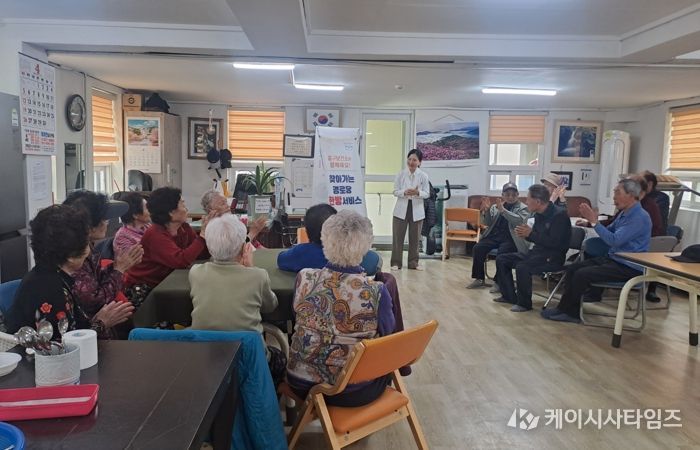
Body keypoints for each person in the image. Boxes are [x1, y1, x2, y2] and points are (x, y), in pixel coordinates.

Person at [286, 210, 395, 406]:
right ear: (366, 246)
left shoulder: (304, 277)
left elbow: (297, 315)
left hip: (300, 383)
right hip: (353, 390)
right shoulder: (376, 291)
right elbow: (387, 332)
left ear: (325, 241)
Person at [5, 205, 134, 339]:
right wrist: (101, 323)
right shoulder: (51, 291)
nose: (89, 251)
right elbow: (64, 345)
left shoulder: (49, 274)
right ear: (71, 257)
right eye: (87, 243)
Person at [189, 214, 285, 386]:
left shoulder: (195, 272)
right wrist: (251, 268)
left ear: (209, 248)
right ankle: (267, 396)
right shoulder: (258, 275)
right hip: (249, 357)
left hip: (207, 355)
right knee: (279, 358)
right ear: (244, 248)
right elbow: (271, 306)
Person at [542, 179, 651, 323]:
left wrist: (594, 221)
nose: (614, 197)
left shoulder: (639, 217)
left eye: (617, 193)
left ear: (631, 195)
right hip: (615, 260)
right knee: (573, 268)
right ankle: (563, 308)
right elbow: (609, 230)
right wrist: (591, 222)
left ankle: (572, 314)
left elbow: (614, 240)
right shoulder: (625, 213)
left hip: (629, 266)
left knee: (582, 274)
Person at [63, 191, 143, 331]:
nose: (106, 222)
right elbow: (94, 301)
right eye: (104, 218)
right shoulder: (74, 258)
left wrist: (119, 266)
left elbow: (98, 280)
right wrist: (119, 270)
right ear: (88, 225)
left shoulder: (89, 248)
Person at [494, 184, 571, 312]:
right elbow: (536, 238)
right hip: (537, 253)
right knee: (502, 259)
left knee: (523, 267)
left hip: (553, 257)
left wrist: (530, 234)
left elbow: (556, 243)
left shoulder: (559, 215)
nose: (526, 201)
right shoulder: (538, 214)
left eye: (528, 199)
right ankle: (509, 296)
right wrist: (525, 235)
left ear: (538, 201)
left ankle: (524, 304)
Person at [125, 187, 210, 289]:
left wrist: (209, 234)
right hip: (143, 288)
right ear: (171, 212)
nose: (186, 209)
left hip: (166, 282)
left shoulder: (183, 228)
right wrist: (202, 236)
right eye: (183, 205)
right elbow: (180, 261)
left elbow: (202, 255)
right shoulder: (155, 235)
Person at [277, 203, 382, 275]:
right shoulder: (357, 253)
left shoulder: (300, 253)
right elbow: (376, 263)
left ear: (307, 231)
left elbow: (281, 259)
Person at [467, 182, 529, 289]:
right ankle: (479, 278)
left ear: (518, 195)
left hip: (511, 238)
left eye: (513, 194)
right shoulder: (495, 207)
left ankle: (499, 281)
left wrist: (503, 211)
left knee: (502, 253)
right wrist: (486, 211)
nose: (510, 197)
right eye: (507, 194)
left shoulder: (523, 208)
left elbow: (519, 221)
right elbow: (487, 223)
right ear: (502, 195)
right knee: (478, 248)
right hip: (495, 236)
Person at [391, 149, 430, 270]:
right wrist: (404, 192)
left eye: (414, 160)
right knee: (398, 237)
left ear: (419, 162)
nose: (411, 162)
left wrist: (417, 193)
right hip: (401, 209)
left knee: (415, 238)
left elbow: (427, 193)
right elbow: (395, 191)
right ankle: (396, 263)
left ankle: (413, 263)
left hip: (417, 209)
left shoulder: (423, 176)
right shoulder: (401, 174)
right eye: (409, 159)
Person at [200, 190, 268, 248]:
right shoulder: (216, 229)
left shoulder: (230, 220)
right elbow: (236, 251)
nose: (228, 206)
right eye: (222, 204)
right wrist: (253, 232)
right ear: (211, 210)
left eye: (226, 202)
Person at [642, 171, 671, 303]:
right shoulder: (639, 196)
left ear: (649, 184)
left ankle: (651, 290)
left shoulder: (660, 198)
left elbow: (651, 220)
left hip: (655, 235)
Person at [113, 191, 151, 256]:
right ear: (135, 215)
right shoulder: (122, 237)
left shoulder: (147, 226)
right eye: (147, 208)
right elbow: (136, 259)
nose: (151, 210)